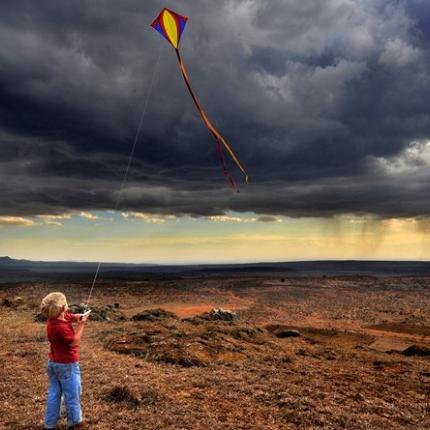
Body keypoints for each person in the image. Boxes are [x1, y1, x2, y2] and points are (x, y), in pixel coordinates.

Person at [40, 292, 90, 430]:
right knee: (72, 394)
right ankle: (75, 423)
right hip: (67, 365)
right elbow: (74, 342)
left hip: (53, 364)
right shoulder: (61, 328)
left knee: (54, 393)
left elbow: (67, 316)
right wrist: (81, 325)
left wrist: (77, 317)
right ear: (63, 307)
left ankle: (49, 424)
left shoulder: (53, 320)